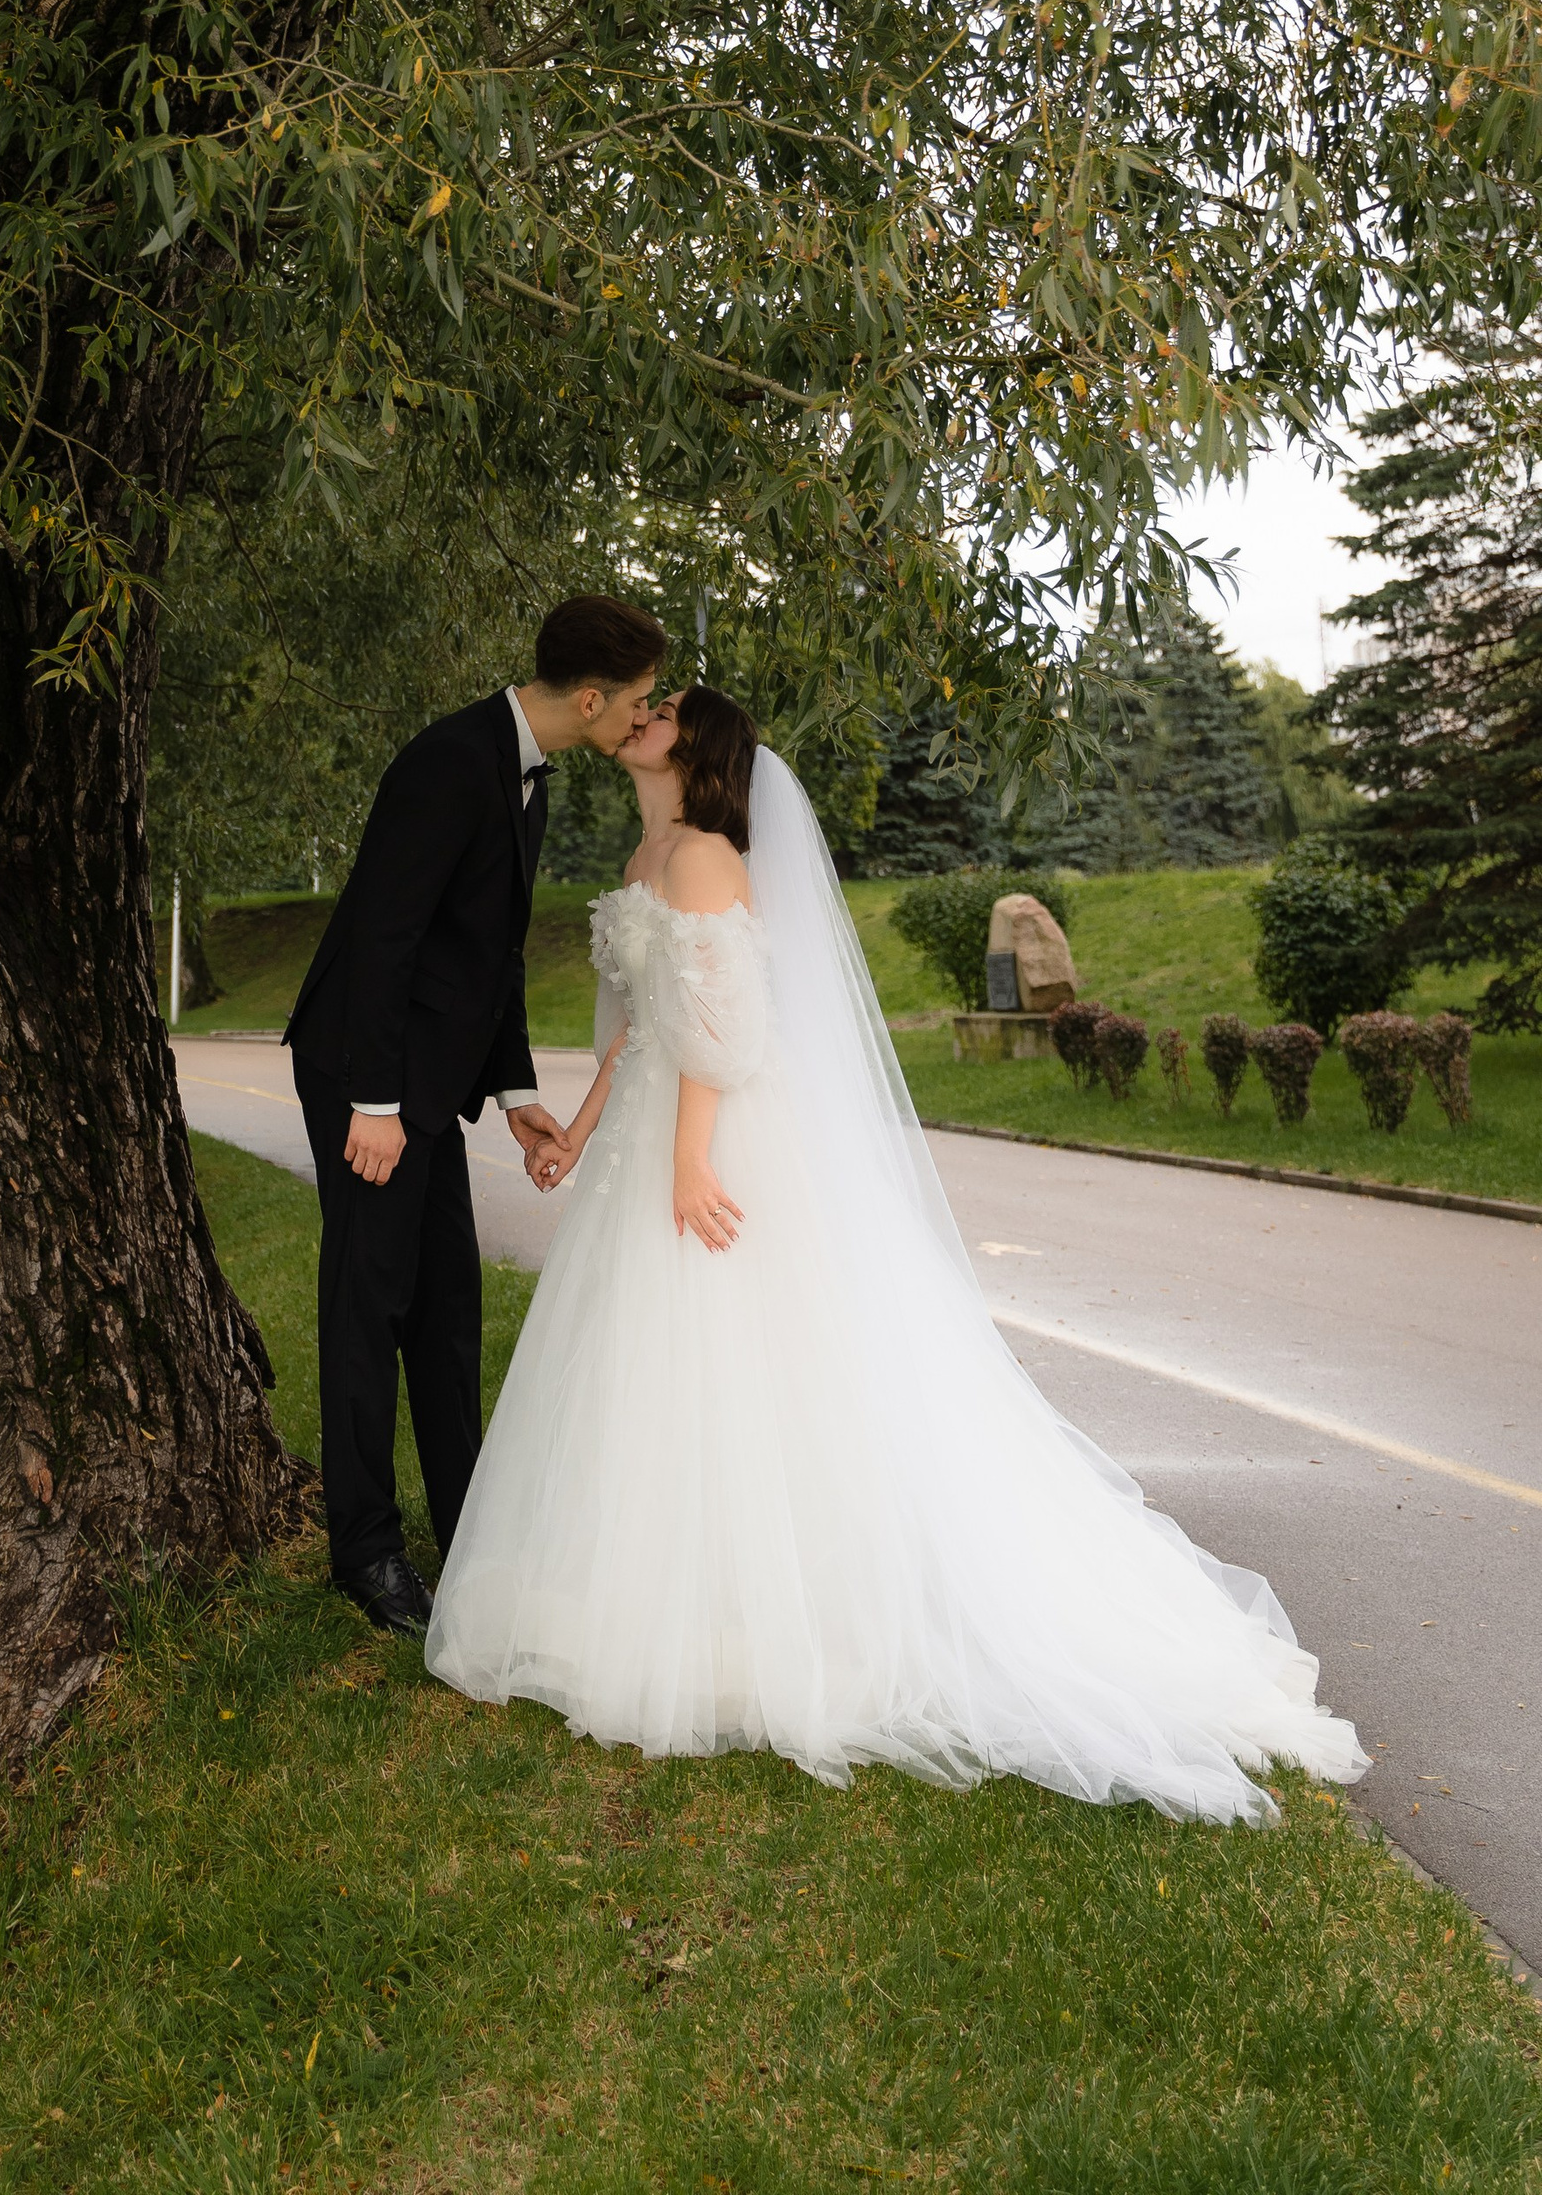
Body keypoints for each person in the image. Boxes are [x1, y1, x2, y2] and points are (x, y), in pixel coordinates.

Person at [425, 688, 1368, 1822]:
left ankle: (766, 1614)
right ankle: (658, 1595)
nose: (638, 713)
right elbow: (637, 1020)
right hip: (649, 1140)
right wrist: (577, 1130)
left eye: (662, 707)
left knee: (735, 1357)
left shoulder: (708, 855)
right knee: (644, 1371)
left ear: (700, 743)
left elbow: (722, 1030)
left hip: (715, 1143)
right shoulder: (646, 848)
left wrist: (687, 1158)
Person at [284, 594, 666, 1636]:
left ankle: (472, 1532)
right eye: (635, 701)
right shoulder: (447, 760)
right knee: (371, 1304)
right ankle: (364, 1550)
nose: (642, 718)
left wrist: (514, 1091)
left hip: (422, 1082)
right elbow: (384, 937)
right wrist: (372, 1101)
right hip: (367, 1074)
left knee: (447, 1309)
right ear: (588, 697)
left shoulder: (526, 779)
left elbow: (484, 953)